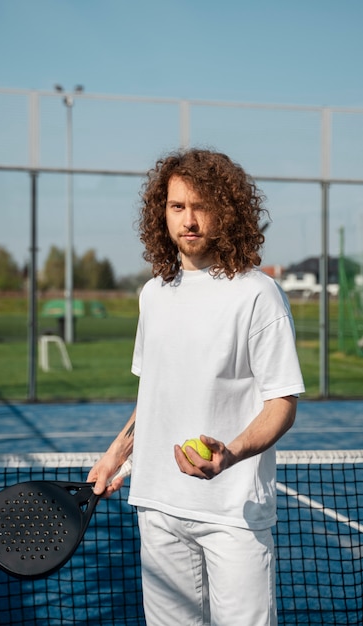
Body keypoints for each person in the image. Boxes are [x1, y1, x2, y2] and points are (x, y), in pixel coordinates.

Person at [87, 148, 305, 626]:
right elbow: (155, 393)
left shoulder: (257, 294)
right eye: (176, 206)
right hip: (158, 506)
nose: (188, 219)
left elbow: (282, 403)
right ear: (160, 212)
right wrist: (116, 455)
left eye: (200, 206)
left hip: (234, 513)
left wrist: (230, 454)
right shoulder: (153, 294)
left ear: (226, 211)